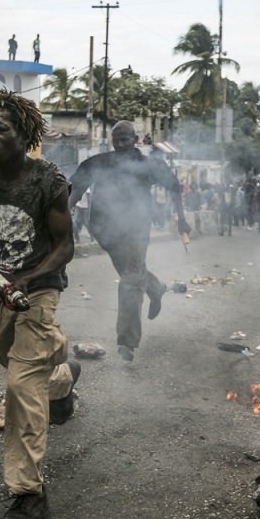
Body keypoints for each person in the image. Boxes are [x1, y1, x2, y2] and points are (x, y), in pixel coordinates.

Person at [0, 88, 79, 519]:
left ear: (23, 134)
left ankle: (28, 492)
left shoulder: (48, 180)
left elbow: (65, 245)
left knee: (20, 382)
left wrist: (25, 282)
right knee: (7, 357)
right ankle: (63, 375)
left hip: (37, 289)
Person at [69, 120, 191, 362]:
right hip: (106, 233)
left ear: (136, 139)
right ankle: (157, 289)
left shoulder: (148, 165)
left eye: (126, 138)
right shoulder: (99, 163)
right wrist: (62, 216)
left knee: (130, 280)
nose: (121, 144)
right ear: (112, 142)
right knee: (130, 274)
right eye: (117, 139)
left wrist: (181, 220)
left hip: (136, 229)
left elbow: (174, 188)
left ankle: (127, 341)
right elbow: (74, 189)